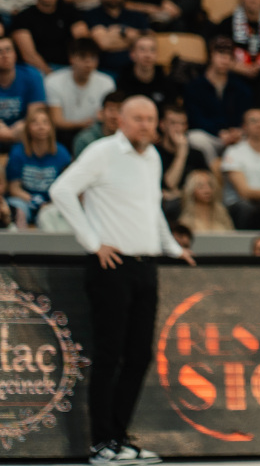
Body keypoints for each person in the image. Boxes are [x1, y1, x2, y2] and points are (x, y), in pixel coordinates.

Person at [48, 96, 193, 466]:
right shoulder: (102, 152)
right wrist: (93, 242)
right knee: (109, 355)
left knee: (139, 356)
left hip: (146, 265)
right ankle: (100, 444)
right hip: (111, 266)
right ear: (121, 121)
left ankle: (119, 438)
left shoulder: (153, 156)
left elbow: (152, 208)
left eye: (150, 118)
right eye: (138, 118)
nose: (145, 124)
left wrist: (172, 248)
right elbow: (61, 191)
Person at [12, 0, 88, 75]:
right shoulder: (23, 17)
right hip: (38, 71)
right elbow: (29, 55)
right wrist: (51, 75)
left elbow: (83, 42)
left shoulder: (71, 12)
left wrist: (76, 70)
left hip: (70, 69)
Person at [5, 106, 71, 228]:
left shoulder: (62, 153)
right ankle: (19, 240)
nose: (41, 127)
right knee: (16, 209)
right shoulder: (17, 152)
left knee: (57, 213)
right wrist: (33, 200)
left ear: (51, 127)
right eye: (35, 123)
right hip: (24, 200)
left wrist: (49, 203)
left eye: (45, 122)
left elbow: (67, 186)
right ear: (28, 128)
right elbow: (14, 188)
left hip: (52, 201)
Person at [44, 38, 115, 144]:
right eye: (83, 57)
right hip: (62, 135)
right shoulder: (53, 81)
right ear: (71, 58)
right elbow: (57, 120)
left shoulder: (107, 82)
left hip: (95, 135)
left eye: (93, 57)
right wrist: (82, 124)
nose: (88, 63)